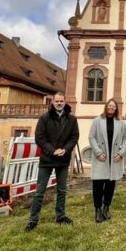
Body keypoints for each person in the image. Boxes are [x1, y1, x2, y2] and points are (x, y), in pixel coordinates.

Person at [25, 92, 79, 231]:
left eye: (62, 101)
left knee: (62, 190)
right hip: (47, 159)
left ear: (65, 102)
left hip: (63, 159)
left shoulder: (72, 119)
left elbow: (74, 137)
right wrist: (52, 150)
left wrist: (65, 150)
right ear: (53, 102)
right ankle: (33, 220)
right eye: (57, 101)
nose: (59, 103)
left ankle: (60, 216)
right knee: (40, 191)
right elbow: (40, 138)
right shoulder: (44, 118)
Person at [88, 99, 126, 222]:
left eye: (114, 106)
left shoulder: (120, 122)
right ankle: (98, 209)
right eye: (109, 106)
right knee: (98, 185)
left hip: (114, 157)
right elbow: (91, 137)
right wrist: (98, 152)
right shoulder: (97, 121)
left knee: (110, 185)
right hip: (101, 157)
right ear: (106, 107)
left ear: (116, 109)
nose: (111, 108)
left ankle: (106, 208)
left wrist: (121, 153)